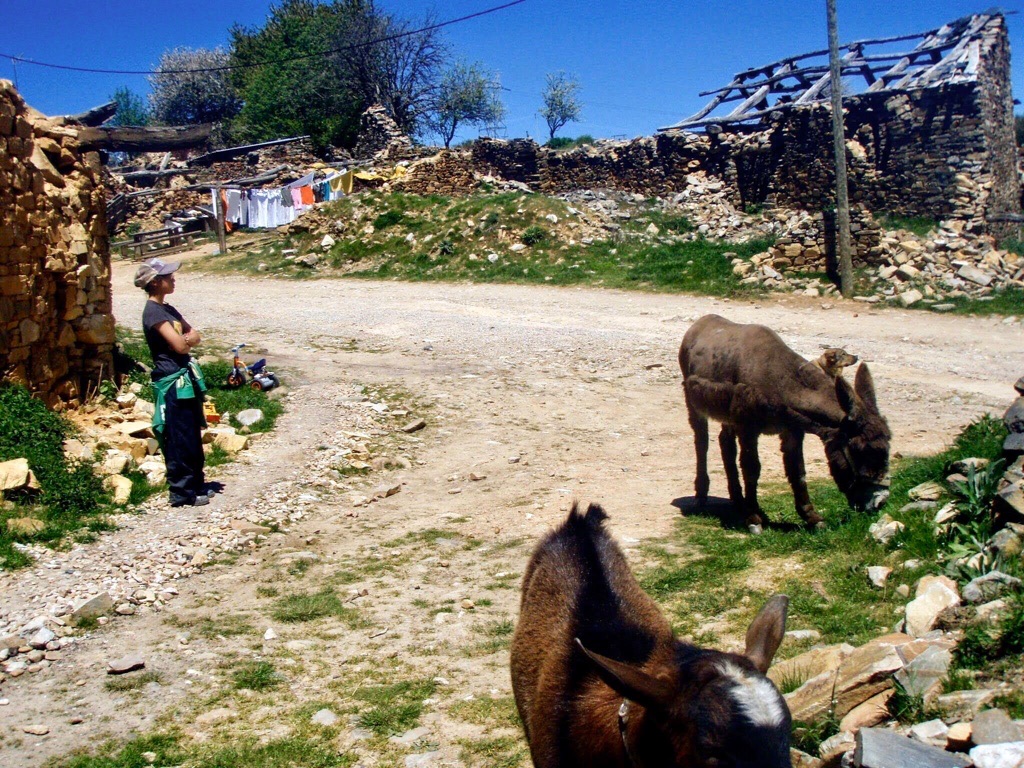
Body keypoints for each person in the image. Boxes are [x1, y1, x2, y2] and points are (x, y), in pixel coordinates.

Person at [134, 258, 210, 507]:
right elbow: (180, 344)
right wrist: (186, 340)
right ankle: (181, 491)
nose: (173, 279)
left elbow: (194, 336)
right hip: (171, 382)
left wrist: (186, 340)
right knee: (178, 435)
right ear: (156, 282)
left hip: (183, 379)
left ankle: (196, 484)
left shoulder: (169, 310)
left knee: (191, 434)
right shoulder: (153, 312)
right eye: (168, 276)